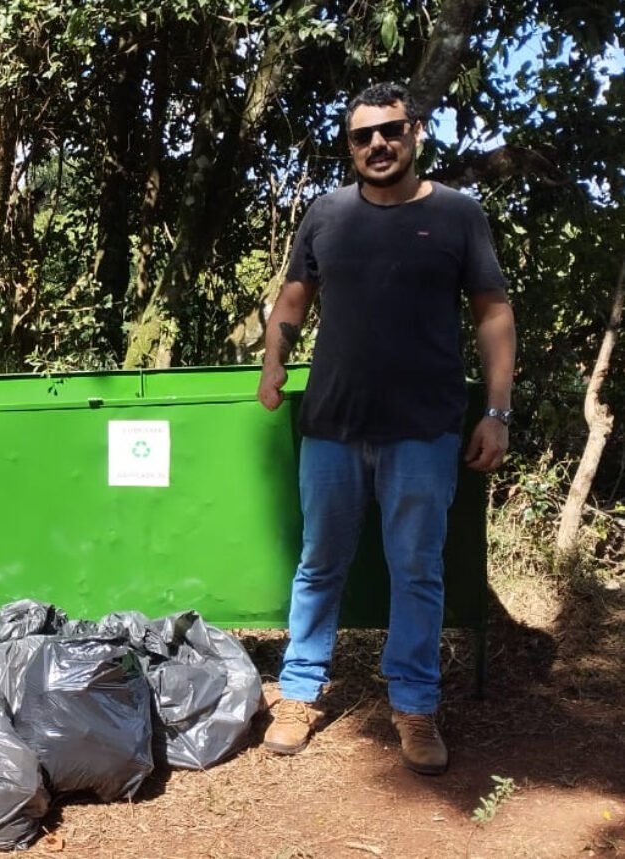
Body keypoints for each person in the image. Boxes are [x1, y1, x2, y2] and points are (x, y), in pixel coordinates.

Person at [256, 82, 516, 775]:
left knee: (417, 570)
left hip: (425, 428)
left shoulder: (459, 215)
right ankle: (301, 693)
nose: (377, 144)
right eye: (362, 135)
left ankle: (415, 704)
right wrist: (274, 360)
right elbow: (293, 296)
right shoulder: (326, 213)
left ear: (415, 133)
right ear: (350, 145)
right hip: (332, 426)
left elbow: (493, 313)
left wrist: (495, 412)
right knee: (319, 563)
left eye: (390, 130)